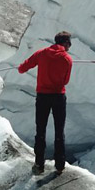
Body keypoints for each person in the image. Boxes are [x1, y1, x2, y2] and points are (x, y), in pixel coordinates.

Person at [18, 31, 74, 175]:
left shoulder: (41, 53)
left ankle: (39, 164)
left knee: (40, 130)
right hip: (58, 97)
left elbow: (23, 68)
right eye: (69, 43)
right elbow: (65, 81)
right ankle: (60, 166)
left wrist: (20, 67)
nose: (69, 47)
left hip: (42, 97)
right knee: (59, 131)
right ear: (66, 43)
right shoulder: (67, 59)